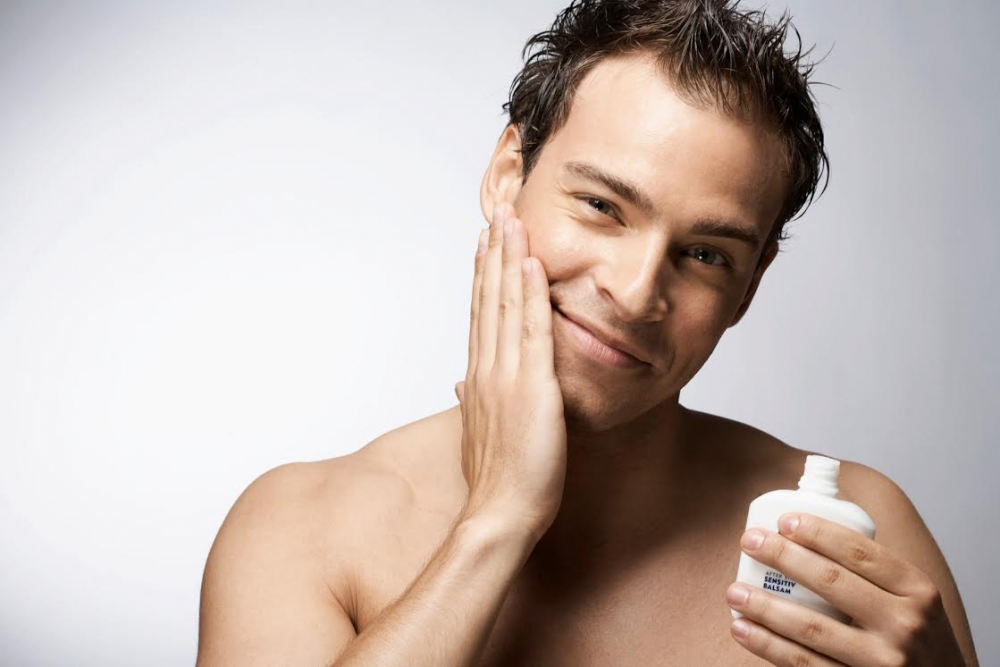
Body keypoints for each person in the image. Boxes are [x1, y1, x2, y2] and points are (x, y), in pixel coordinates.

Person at [196, 1, 979, 665]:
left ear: (750, 284)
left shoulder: (850, 540)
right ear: (508, 175)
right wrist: (496, 521)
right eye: (603, 207)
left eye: (706, 254)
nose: (635, 294)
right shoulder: (299, 532)